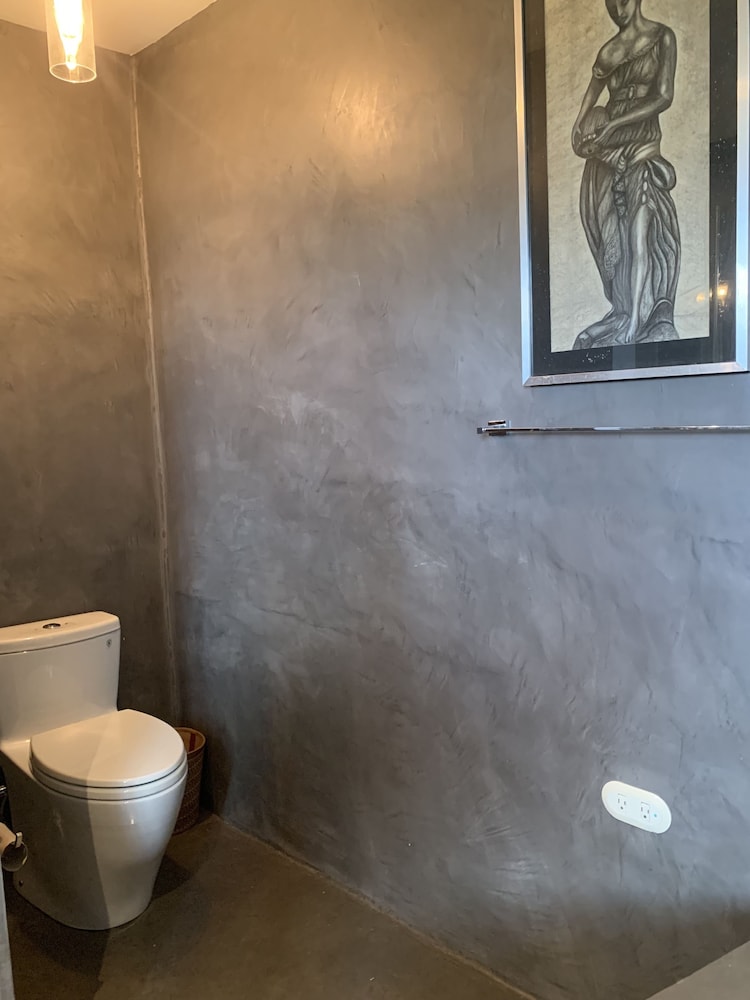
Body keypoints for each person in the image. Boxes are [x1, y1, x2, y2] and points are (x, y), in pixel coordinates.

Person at [571, 0, 681, 348]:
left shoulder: (661, 37)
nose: (617, 7)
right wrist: (580, 133)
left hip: (641, 141)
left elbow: (663, 97)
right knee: (612, 233)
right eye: (610, 2)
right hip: (608, 148)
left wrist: (615, 124)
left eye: (623, 0)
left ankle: (639, 318)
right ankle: (624, 311)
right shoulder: (608, 52)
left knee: (640, 234)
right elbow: (587, 105)